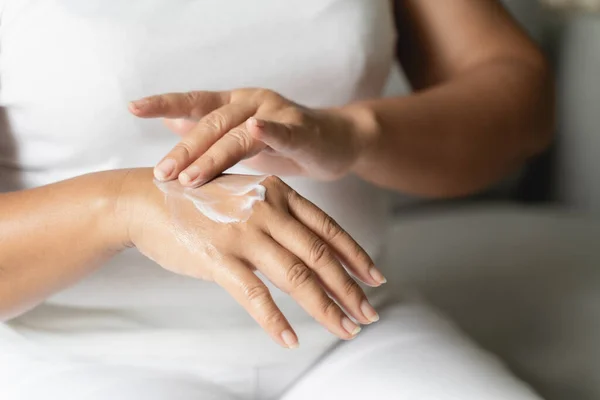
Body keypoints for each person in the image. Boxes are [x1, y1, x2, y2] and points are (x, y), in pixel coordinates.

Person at [0, 0, 553, 399]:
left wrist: (355, 133)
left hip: (351, 329)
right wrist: (122, 205)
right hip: (73, 351)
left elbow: (522, 104)